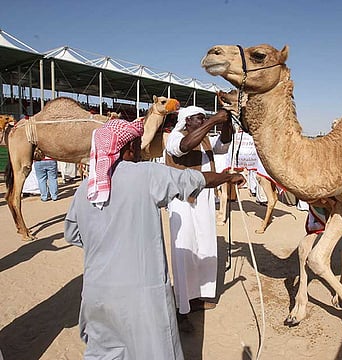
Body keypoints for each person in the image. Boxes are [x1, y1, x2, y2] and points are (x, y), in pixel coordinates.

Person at [64, 118, 244, 359]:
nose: (141, 150)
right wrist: (226, 178)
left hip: (95, 297)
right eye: (138, 145)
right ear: (129, 148)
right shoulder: (146, 174)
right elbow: (194, 180)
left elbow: (73, 234)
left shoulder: (84, 188)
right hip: (140, 298)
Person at [165, 106, 232, 329]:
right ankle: (181, 307)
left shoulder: (205, 139)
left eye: (204, 117)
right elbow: (184, 148)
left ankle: (198, 297)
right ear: (187, 121)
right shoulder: (175, 137)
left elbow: (223, 144)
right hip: (181, 201)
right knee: (184, 251)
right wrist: (213, 121)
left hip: (203, 200)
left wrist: (226, 123)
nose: (203, 120)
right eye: (199, 118)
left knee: (205, 247)